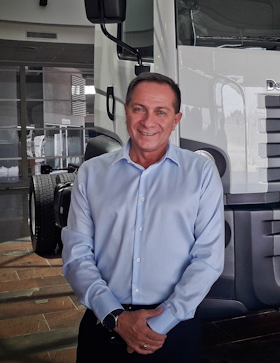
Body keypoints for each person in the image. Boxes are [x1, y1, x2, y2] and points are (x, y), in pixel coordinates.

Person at [62, 72, 225, 362]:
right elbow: (77, 255)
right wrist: (115, 316)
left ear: (176, 119)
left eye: (161, 111)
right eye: (139, 109)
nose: (148, 122)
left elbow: (208, 258)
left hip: (173, 330)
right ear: (126, 111)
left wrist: (160, 323)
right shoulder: (91, 173)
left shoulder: (201, 172)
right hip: (103, 326)